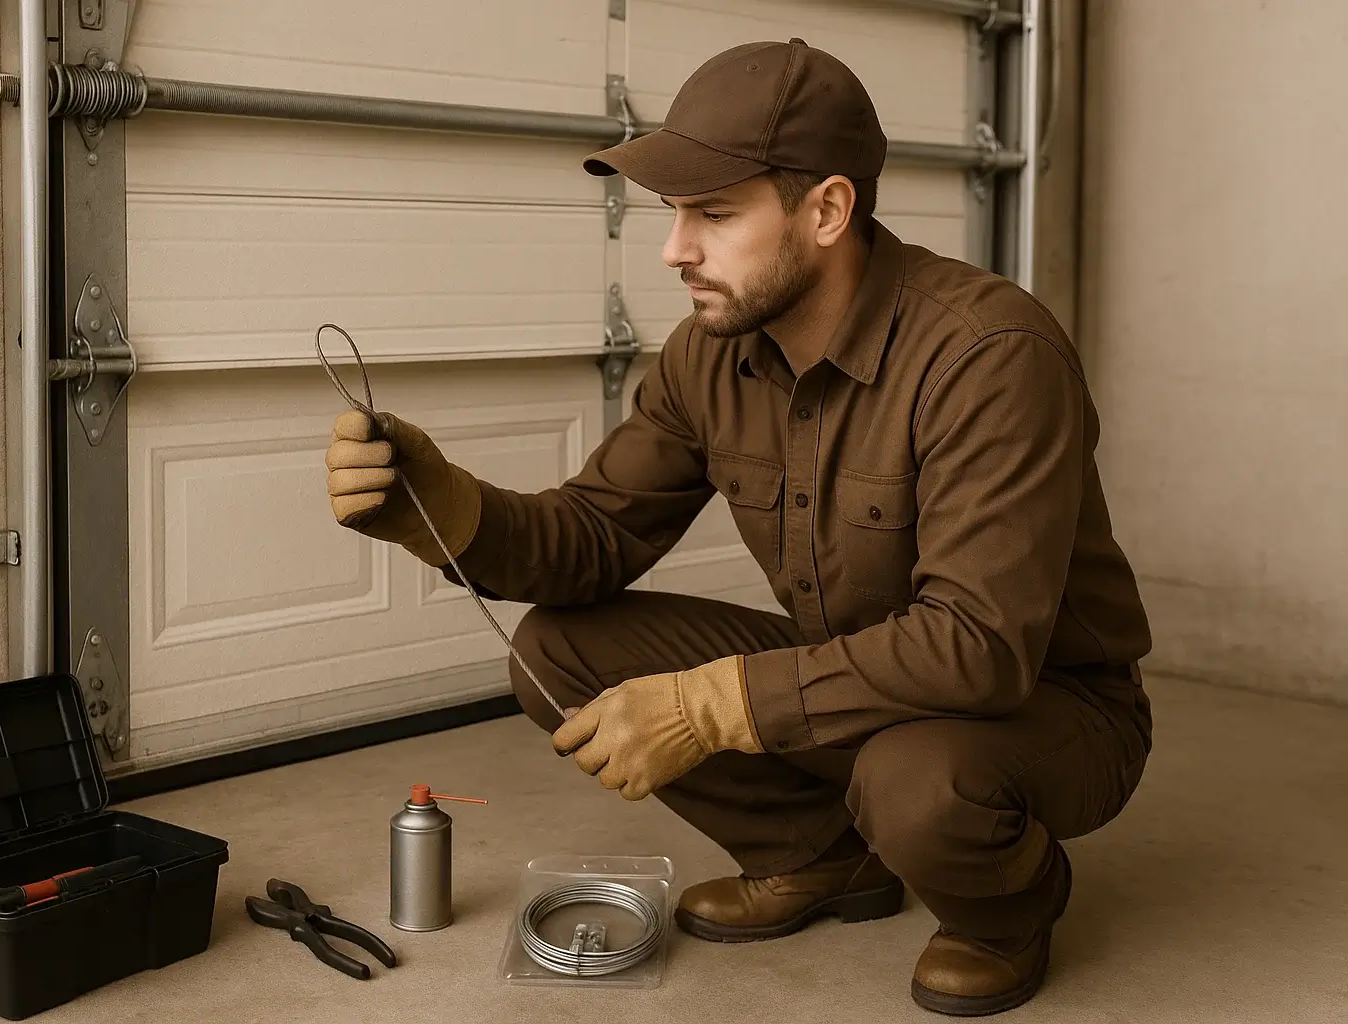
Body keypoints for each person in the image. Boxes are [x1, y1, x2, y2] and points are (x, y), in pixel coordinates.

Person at [325, 38, 1153, 1017]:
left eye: (714, 213)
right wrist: (436, 505)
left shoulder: (989, 355)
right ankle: (821, 857)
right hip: (855, 678)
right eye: (675, 212)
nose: (676, 248)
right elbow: (592, 538)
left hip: (1044, 712)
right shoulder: (708, 355)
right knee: (558, 649)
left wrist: (710, 706)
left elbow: (978, 648)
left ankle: (1008, 910)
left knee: (917, 778)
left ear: (828, 210)